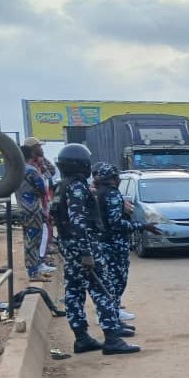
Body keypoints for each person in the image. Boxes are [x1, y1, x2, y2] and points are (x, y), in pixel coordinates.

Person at [50, 144, 139, 355]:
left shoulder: (61, 186)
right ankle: (112, 339)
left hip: (69, 246)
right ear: (81, 164)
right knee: (103, 290)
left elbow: (56, 218)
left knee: (74, 291)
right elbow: (78, 221)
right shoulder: (77, 187)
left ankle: (82, 338)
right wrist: (86, 253)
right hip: (85, 246)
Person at [92, 163, 161, 329]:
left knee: (111, 281)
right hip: (114, 244)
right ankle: (110, 317)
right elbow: (116, 224)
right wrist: (142, 226)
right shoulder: (111, 193)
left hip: (105, 243)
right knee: (117, 281)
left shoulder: (100, 193)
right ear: (113, 178)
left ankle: (113, 313)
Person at [15, 145, 52, 282]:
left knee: (28, 240)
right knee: (34, 241)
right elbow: (42, 189)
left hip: (22, 209)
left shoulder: (16, 171)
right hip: (33, 210)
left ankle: (33, 269)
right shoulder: (31, 171)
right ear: (32, 156)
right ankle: (34, 272)